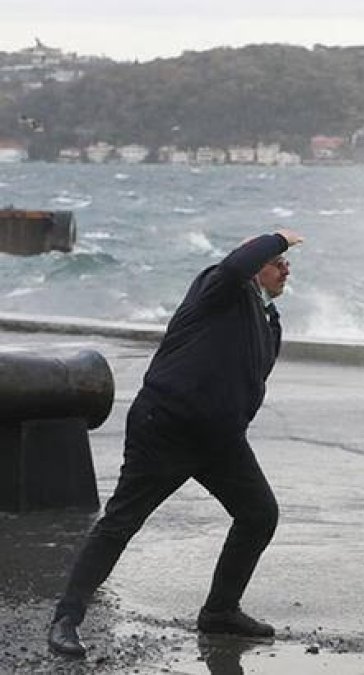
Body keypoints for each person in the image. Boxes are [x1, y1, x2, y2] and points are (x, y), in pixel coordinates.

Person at [48, 230, 304, 657]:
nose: (286, 269)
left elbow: (250, 379)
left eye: (285, 262)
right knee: (120, 523)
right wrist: (278, 236)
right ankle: (66, 620)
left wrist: (236, 419)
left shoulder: (268, 319)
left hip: (220, 440)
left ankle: (220, 611)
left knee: (259, 514)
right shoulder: (219, 286)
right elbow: (234, 265)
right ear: (255, 263)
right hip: (165, 427)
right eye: (277, 261)